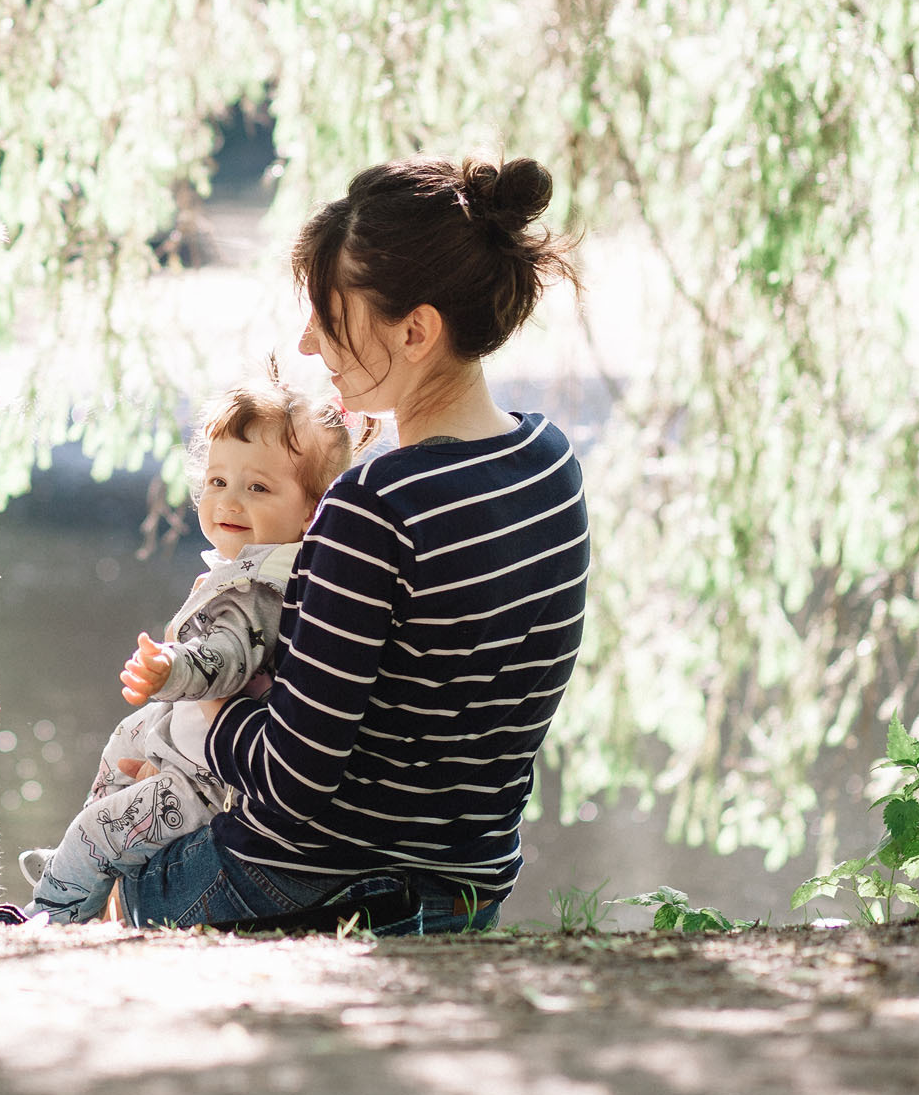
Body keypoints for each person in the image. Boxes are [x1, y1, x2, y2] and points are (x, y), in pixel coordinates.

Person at [112, 155, 588, 934]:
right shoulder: (550, 464)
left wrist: (196, 710)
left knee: (112, 865)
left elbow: (291, 784)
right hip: (466, 892)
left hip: (307, 890)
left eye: (328, 314)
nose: (306, 344)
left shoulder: (373, 506)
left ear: (416, 330)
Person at [20, 372, 368, 924]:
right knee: (126, 736)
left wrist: (171, 670)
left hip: (209, 781)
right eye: (217, 481)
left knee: (97, 831)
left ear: (312, 511)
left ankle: (54, 913)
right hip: (193, 748)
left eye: (257, 488)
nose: (228, 500)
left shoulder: (259, 592)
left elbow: (226, 659)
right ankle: (87, 861)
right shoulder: (257, 569)